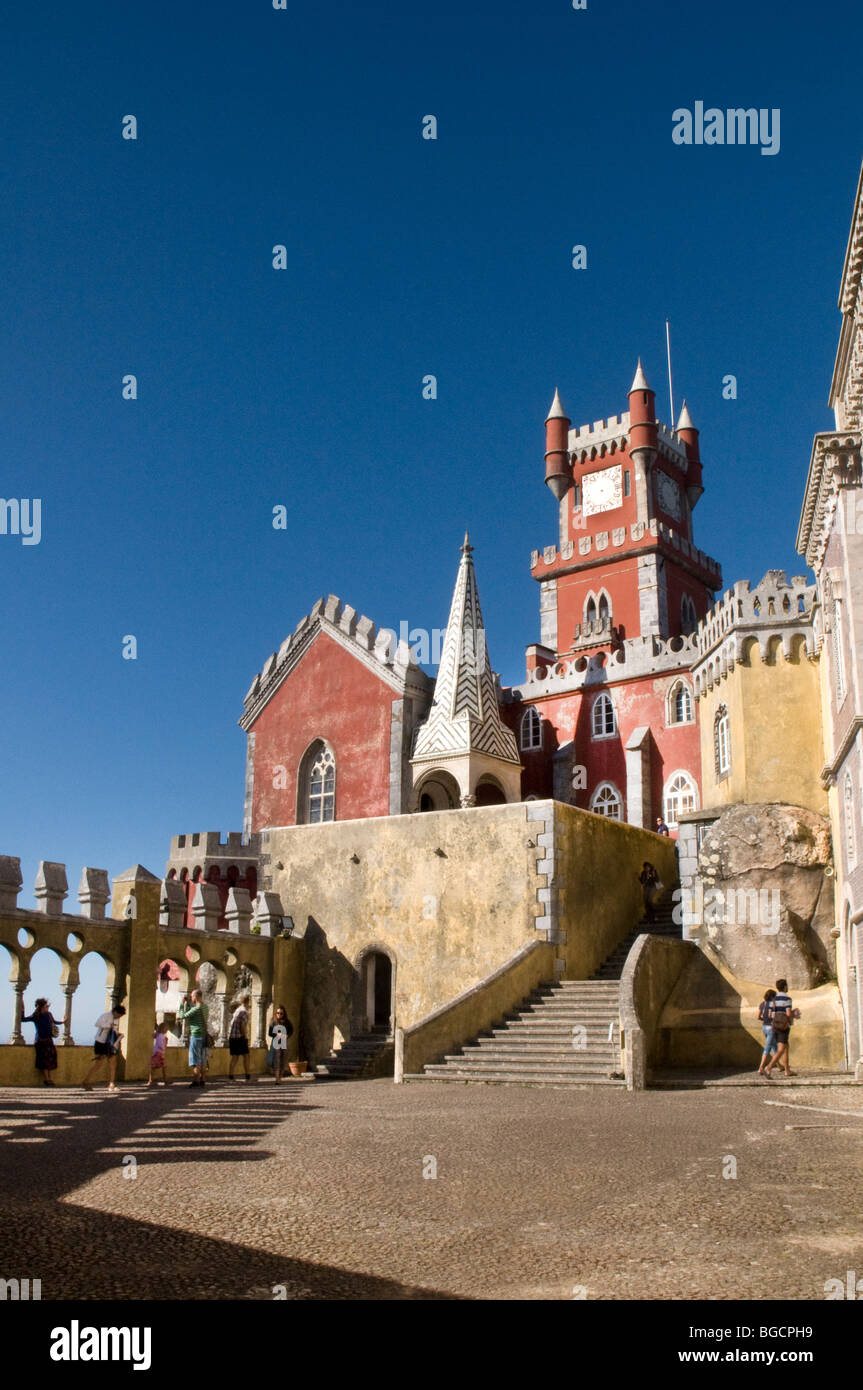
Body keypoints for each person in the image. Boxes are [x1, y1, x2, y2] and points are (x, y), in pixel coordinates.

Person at [82, 1005, 126, 1092]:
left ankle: (111, 1083)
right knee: (98, 1063)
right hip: (100, 1042)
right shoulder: (106, 1016)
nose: (119, 1017)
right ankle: (86, 1081)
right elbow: (97, 1023)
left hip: (108, 1043)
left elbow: (113, 1030)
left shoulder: (114, 1019)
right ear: (115, 1012)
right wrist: (108, 1025)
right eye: (119, 1015)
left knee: (113, 1062)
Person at [21, 997, 60, 1086]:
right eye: (46, 1006)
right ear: (42, 1007)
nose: (47, 1008)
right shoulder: (36, 1015)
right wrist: (22, 1009)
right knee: (44, 1059)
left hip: (49, 1040)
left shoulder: (49, 1014)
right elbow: (23, 1019)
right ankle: (47, 1079)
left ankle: (49, 1077)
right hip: (41, 1041)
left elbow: (54, 1022)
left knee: (51, 1058)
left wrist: (63, 1021)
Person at [764, 978, 798, 1078]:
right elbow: (788, 1013)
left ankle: (787, 1070)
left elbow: (770, 1014)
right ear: (785, 987)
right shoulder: (787, 999)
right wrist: (793, 1016)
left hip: (774, 1026)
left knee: (786, 1047)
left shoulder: (773, 1000)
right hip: (783, 1027)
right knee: (781, 1049)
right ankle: (769, 1067)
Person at [178, 989, 209, 1087]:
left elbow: (182, 1016)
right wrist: (188, 1005)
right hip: (204, 1036)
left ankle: (196, 1081)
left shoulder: (196, 1009)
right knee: (203, 1059)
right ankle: (203, 1079)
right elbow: (191, 1013)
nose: (191, 998)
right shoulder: (205, 1007)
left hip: (196, 1036)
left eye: (192, 996)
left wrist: (182, 1004)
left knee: (196, 1060)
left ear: (196, 996)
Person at [267, 1004, 294, 1083]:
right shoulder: (273, 1022)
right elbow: (270, 1033)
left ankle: (280, 1077)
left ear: (284, 1014)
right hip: (276, 1043)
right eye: (278, 1013)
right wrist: (277, 1034)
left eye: (281, 1013)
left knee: (283, 1061)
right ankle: (277, 1078)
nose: (279, 1015)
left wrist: (287, 1036)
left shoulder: (287, 1022)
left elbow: (291, 1030)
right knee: (277, 1060)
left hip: (284, 1043)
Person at [228, 994, 252, 1082]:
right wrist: (245, 1036)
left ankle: (231, 1075)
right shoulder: (244, 1012)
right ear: (248, 1002)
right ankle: (247, 1075)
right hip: (239, 1037)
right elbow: (243, 1026)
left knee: (235, 1056)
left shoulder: (238, 1010)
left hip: (232, 1036)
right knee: (246, 1056)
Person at [756, 988, 777, 1076]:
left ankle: (779, 1065)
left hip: (764, 1027)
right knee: (768, 1047)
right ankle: (761, 1067)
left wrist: (764, 1019)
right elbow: (775, 1016)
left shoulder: (762, 1004)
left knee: (773, 1046)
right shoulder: (774, 1005)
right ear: (773, 997)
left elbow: (758, 1017)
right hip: (771, 1027)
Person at [147, 1020, 171, 1088]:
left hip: (157, 1052)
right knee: (161, 1067)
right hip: (159, 1053)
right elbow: (161, 1045)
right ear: (163, 1029)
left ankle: (151, 1080)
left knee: (155, 1067)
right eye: (166, 1029)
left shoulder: (159, 1035)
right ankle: (164, 1080)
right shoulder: (161, 1036)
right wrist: (164, 1045)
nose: (167, 1030)